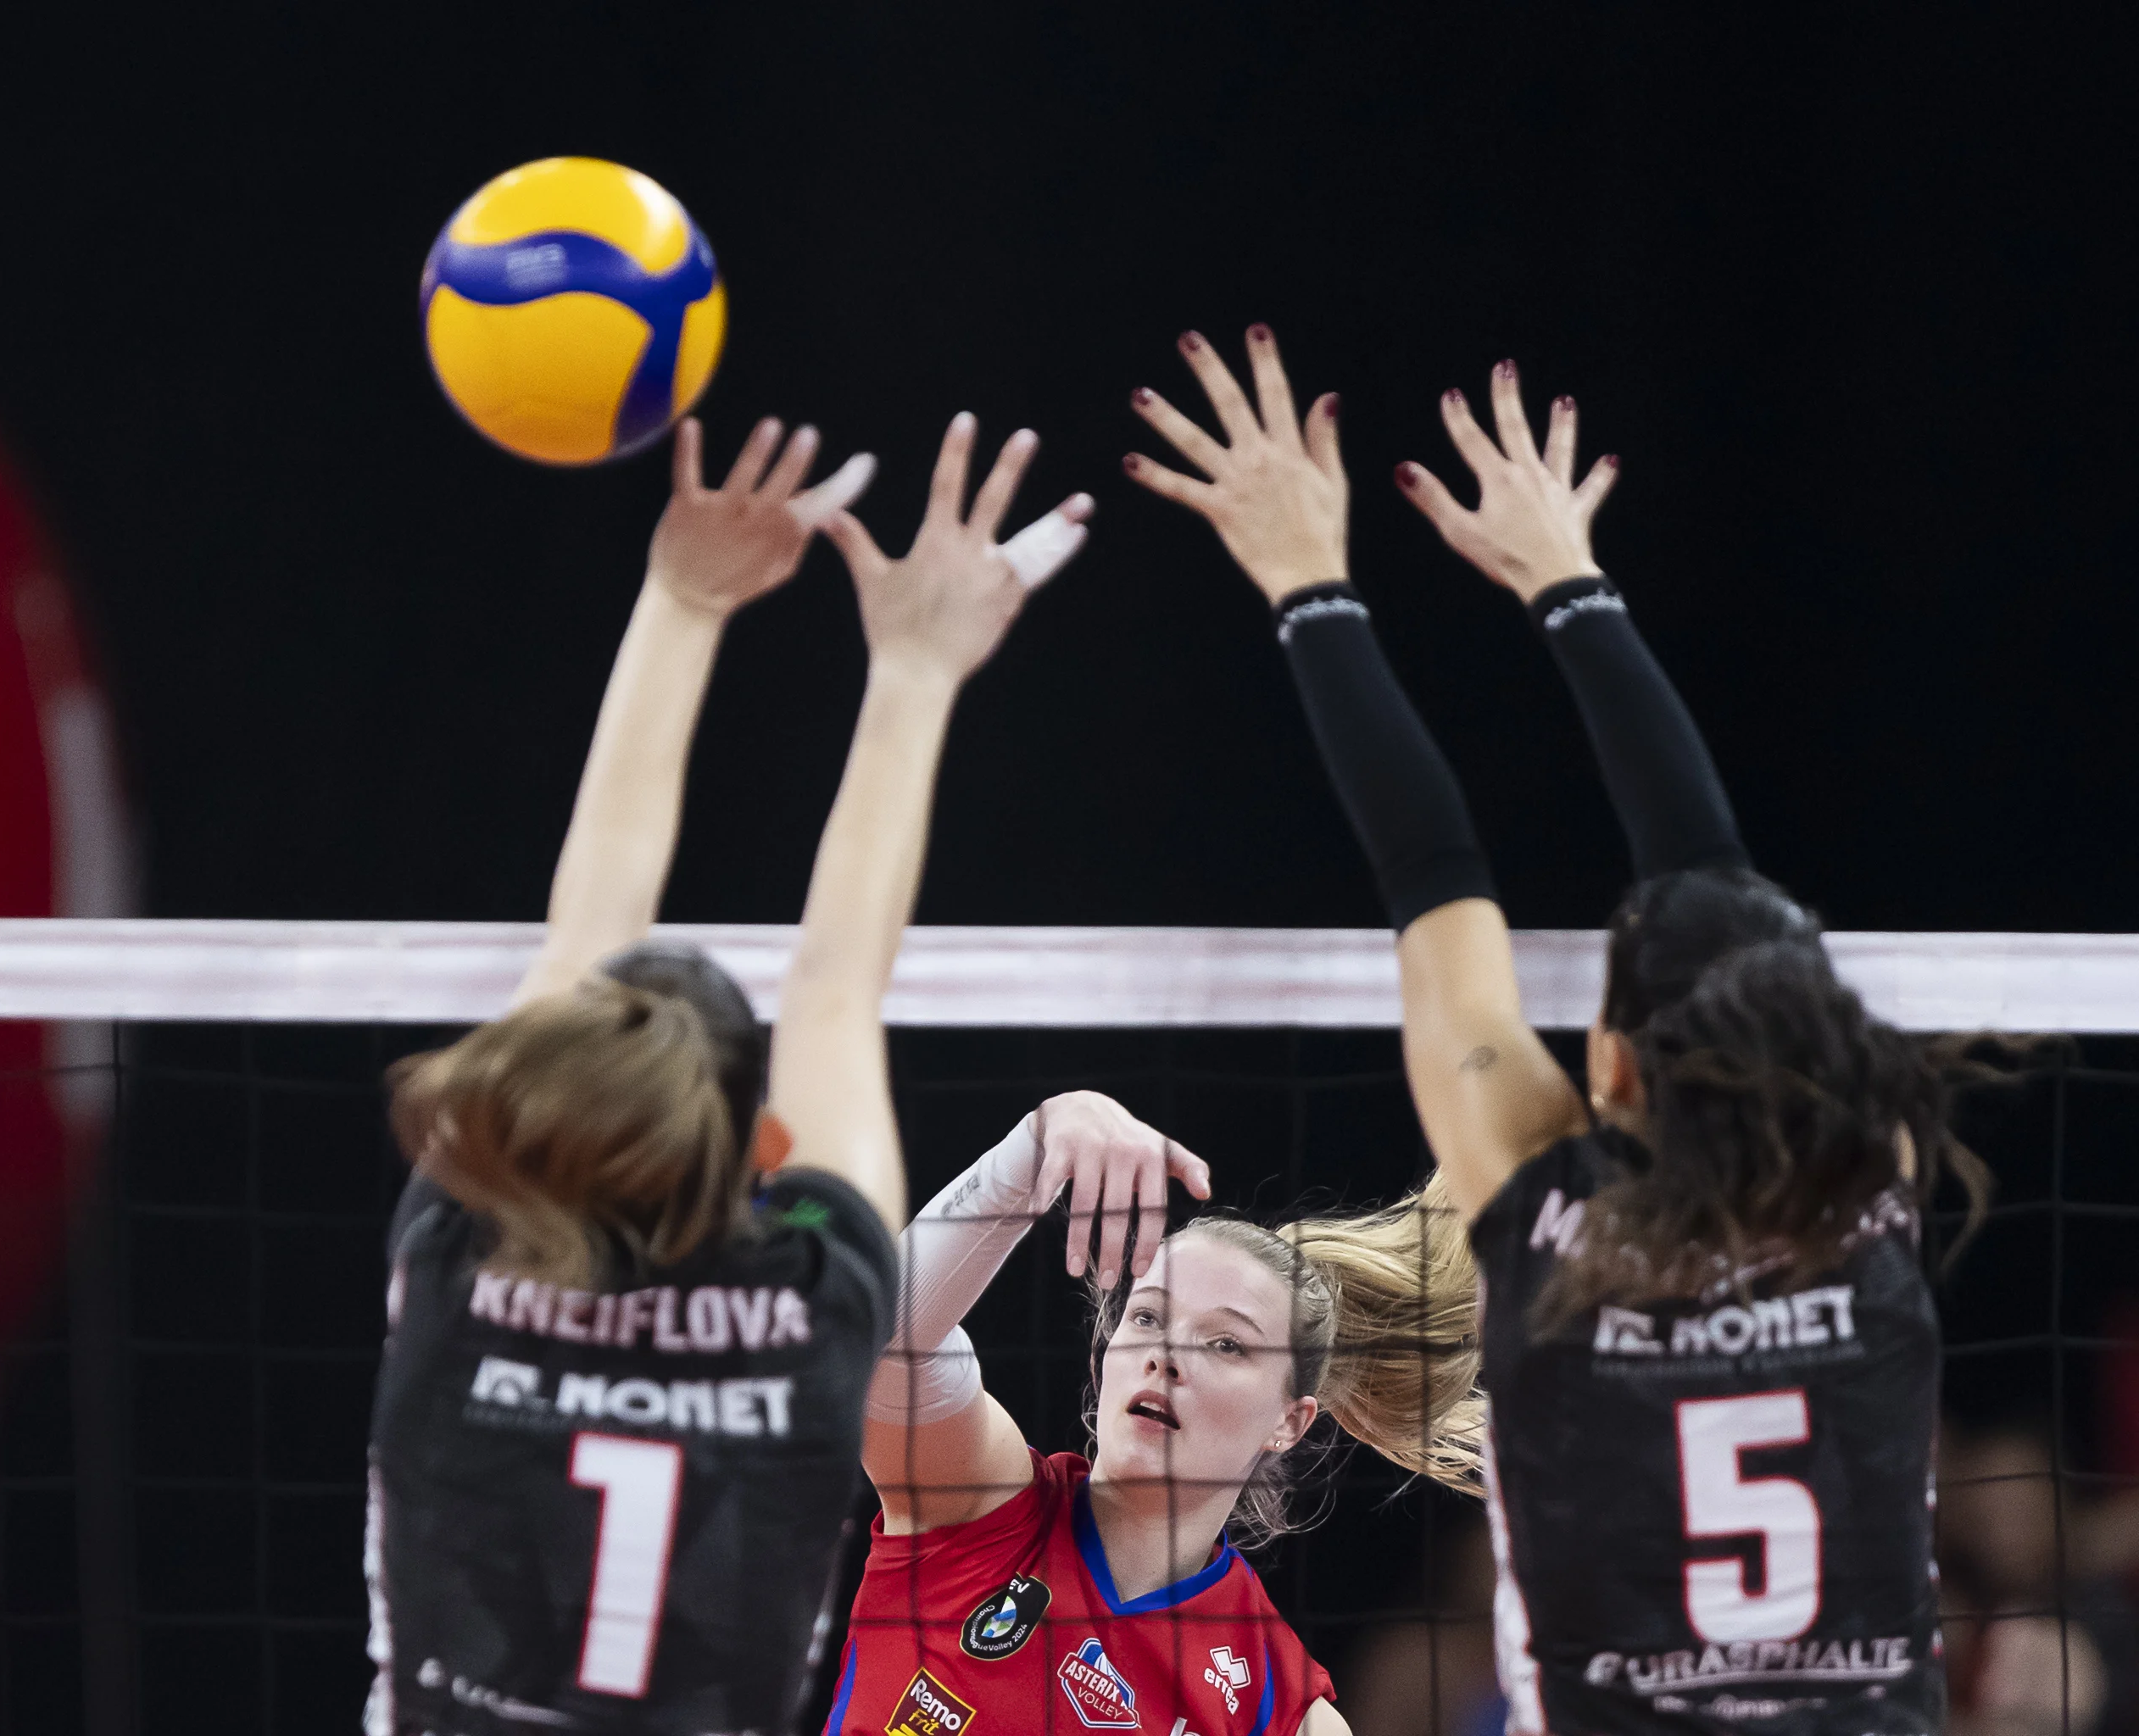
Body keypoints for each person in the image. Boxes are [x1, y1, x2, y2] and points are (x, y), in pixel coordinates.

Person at [1127, 327, 1989, 1735]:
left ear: (1612, 1065)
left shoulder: (1555, 1212)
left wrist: (1314, 576)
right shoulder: (1872, 1200)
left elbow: (1430, 866)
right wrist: (1568, 585)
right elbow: (1707, 884)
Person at [365, 410, 1094, 1736]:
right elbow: (836, 986)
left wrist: (682, 599)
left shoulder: (465, 1239)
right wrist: (918, 669)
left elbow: (602, 919)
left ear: (538, 1108)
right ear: (760, 1151)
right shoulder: (810, 1300)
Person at [829, 1082, 1484, 1736]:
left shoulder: (1278, 1708)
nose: (1166, 1356)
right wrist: (1027, 1155)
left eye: (1226, 1343)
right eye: (1147, 1317)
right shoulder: (981, 1505)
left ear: (1289, 1421)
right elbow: (879, 1341)